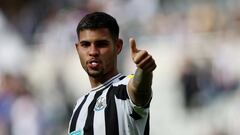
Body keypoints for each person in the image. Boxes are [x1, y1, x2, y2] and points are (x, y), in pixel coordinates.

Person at [68, 12, 156, 135]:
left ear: (118, 46)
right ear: (78, 49)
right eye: (86, 45)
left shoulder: (124, 88)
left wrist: (144, 70)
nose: (93, 51)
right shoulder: (79, 106)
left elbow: (139, 88)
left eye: (101, 44)